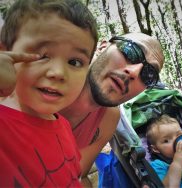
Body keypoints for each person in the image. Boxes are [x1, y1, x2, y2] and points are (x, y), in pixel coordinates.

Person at [0, 0, 98, 187]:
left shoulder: (63, 125)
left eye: (75, 62)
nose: (58, 73)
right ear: (5, 53)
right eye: (43, 56)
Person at [60, 32, 165, 186]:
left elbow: (77, 175)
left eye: (148, 74)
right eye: (130, 51)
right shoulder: (48, 82)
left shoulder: (108, 117)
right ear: (103, 47)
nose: (134, 72)